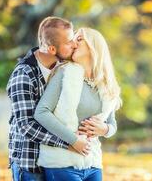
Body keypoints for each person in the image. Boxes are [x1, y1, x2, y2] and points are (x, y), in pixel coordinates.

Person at [6, 16, 90, 180]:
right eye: (68, 42)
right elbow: (27, 126)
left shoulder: (64, 69)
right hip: (31, 164)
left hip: (57, 163)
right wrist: (69, 142)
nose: (74, 45)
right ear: (52, 49)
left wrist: (103, 126)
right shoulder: (23, 75)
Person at [33, 27, 122, 181]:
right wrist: (74, 140)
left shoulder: (106, 85)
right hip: (62, 162)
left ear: (94, 46)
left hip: (92, 162)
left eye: (79, 39)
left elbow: (111, 124)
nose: (73, 43)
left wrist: (105, 129)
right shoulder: (65, 73)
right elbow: (42, 112)